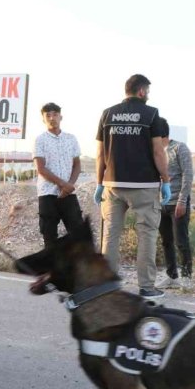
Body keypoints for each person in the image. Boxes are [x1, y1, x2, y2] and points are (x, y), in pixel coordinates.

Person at [94, 74, 171, 300]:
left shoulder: (107, 114)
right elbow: (158, 151)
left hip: (113, 184)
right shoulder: (152, 114)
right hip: (144, 185)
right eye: (148, 91)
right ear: (141, 91)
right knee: (147, 235)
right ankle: (146, 287)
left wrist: (99, 183)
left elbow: (100, 153)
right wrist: (166, 180)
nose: (148, 95)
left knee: (110, 234)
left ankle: (106, 286)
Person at [33, 102, 84, 247]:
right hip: (47, 194)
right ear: (43, 119)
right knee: (49, 237)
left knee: (78, 235)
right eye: (48, 115)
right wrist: (63, 184)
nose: (52, 118)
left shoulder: (71, 139)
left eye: (55, 114)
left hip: (68, 194)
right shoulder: (40, 140)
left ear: (61, 117)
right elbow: (41, 168)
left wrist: (69, 186)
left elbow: (77, 165)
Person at [155, 120, 194, 288]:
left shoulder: (179, 148)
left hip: (178, 202)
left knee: (181, 241)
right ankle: (171, 276)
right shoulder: (155, 152)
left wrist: (182, 201)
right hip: (160, 203)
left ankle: (187, 277)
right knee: (166, 241)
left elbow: (188, 174)